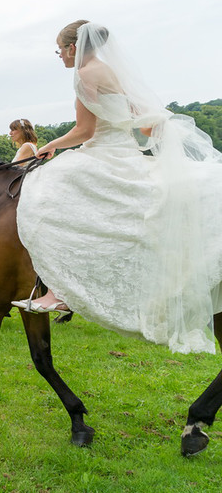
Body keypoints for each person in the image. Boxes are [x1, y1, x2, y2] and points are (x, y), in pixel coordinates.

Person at [13, 20, 222, 354]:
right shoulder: (114, 72)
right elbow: (147, 123)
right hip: (127, 151)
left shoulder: (82, 76)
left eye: (59, 51)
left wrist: (52, 143)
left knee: (44, 193)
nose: (61, 57)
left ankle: (61, 291)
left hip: (104, 154)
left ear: (72, 48)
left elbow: (85, 131)